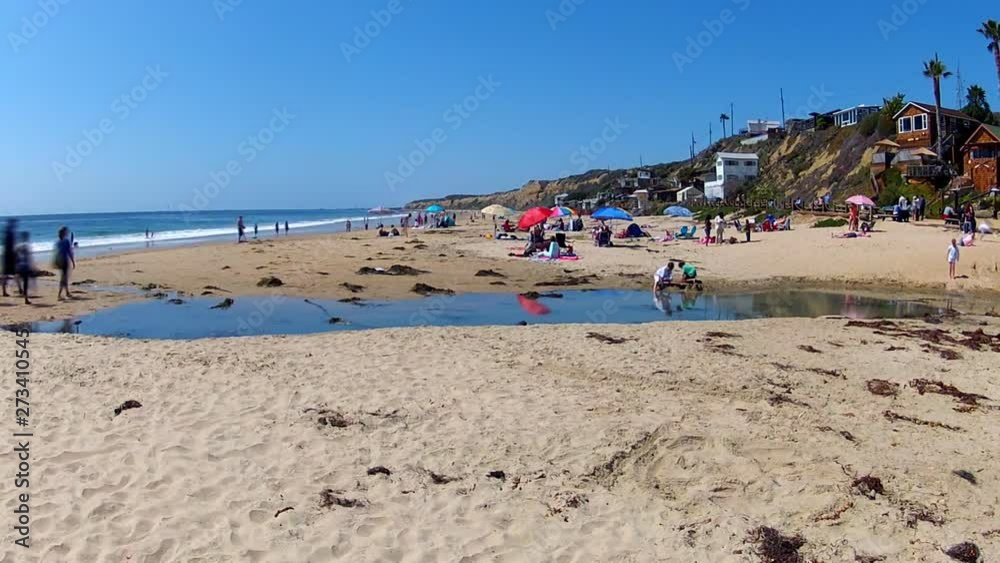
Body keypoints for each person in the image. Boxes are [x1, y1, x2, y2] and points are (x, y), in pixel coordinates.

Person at [55, 226, 75, 300]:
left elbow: (56, 253)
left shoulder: (58, 242)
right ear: (64, 233)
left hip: (59, 261)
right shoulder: (66, 241)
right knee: (63, 278)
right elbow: (69, 252)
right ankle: (59, 295)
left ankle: (67, 292)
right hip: (64, 262)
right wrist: (73, 262)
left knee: (64, 277)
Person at [14, 232, 34, 304]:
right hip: (25, 266)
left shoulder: (17, 246)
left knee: (18, 277)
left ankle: (19, 288)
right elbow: (28, 257)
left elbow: (15, 257)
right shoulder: (27, 246)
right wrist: (31, 266)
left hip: (19, 266)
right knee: (25, 282)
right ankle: (26, 299)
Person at [2, 219, 16, 297]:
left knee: (5, 275)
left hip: (6, 256)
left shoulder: (6, 234)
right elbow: (12, 246)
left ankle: (4, 291)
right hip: (9, 256)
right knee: (14, 274)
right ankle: (20, 289)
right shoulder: (10, 234)